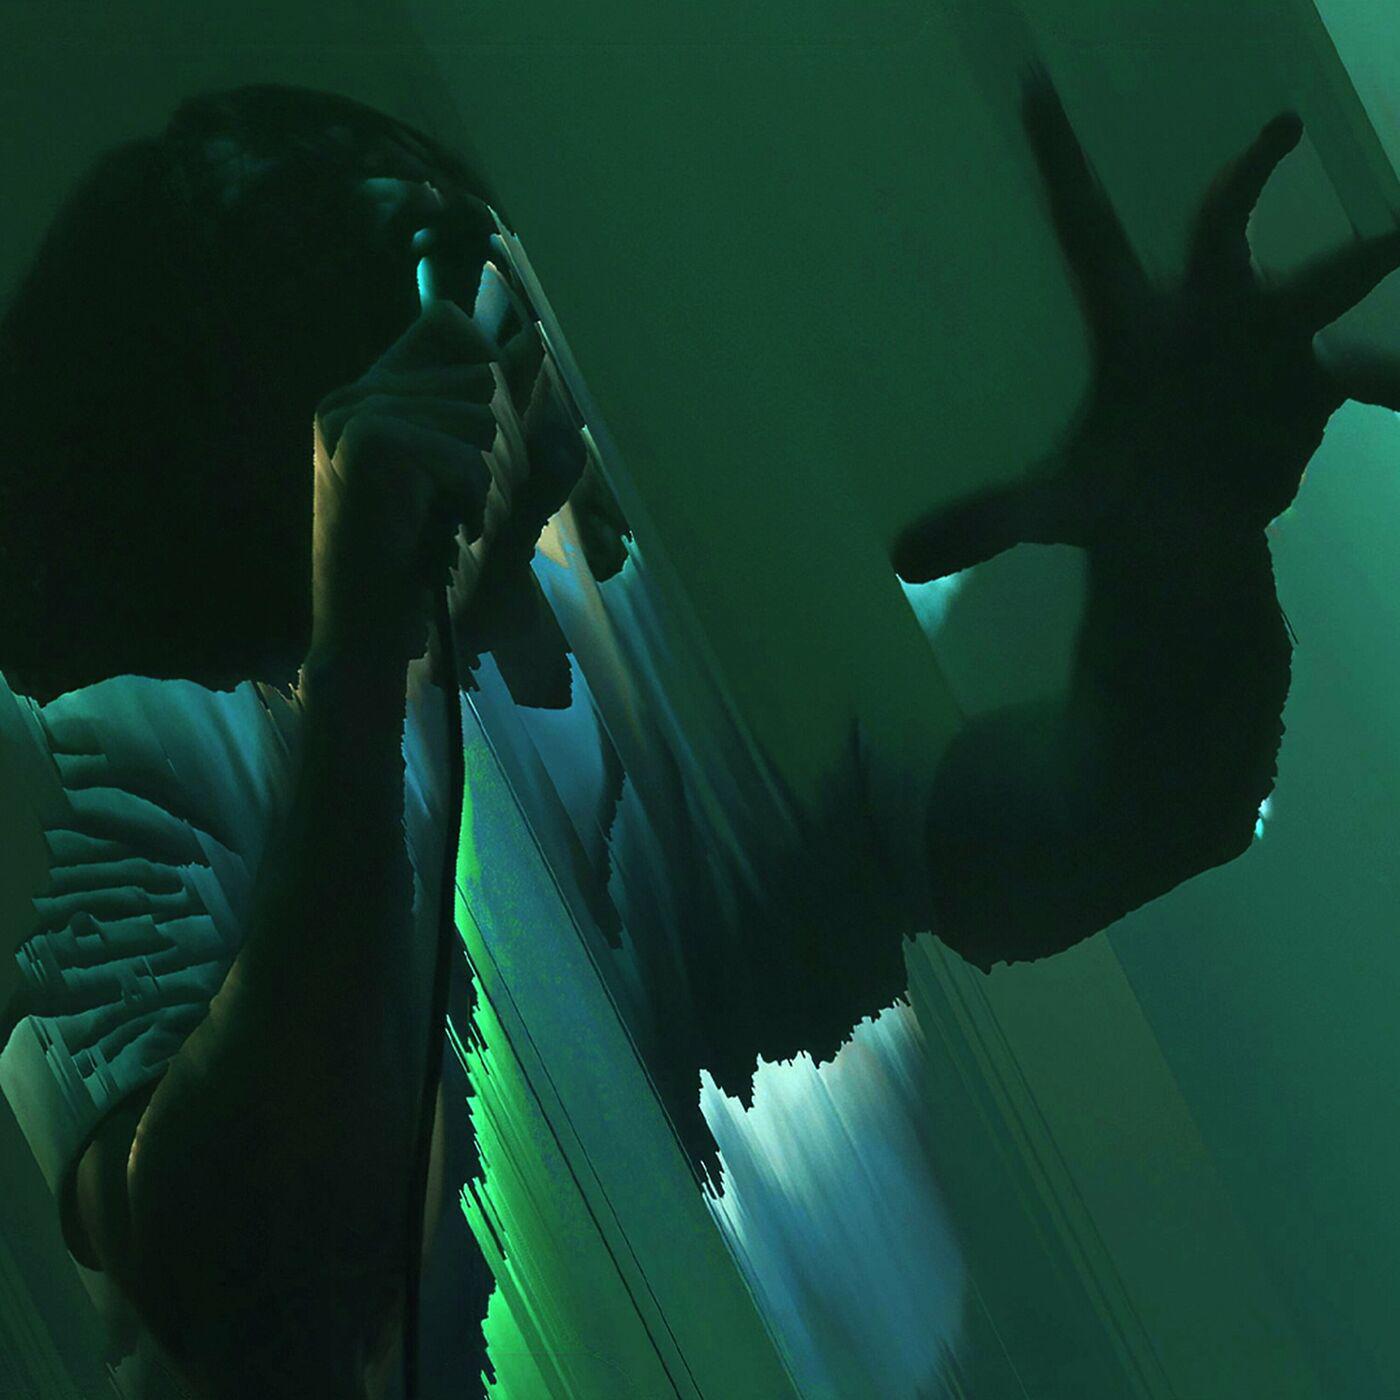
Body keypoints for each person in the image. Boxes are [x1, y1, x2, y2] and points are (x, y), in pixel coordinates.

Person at [2, 74, 1398, 1400]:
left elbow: (1116, 821)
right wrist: (365, 656)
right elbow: (234, 1275)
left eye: (483, 262)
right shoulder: (119, 769)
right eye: (434, 293)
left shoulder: (642, 639)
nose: (512, 328)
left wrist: (1192, 548)